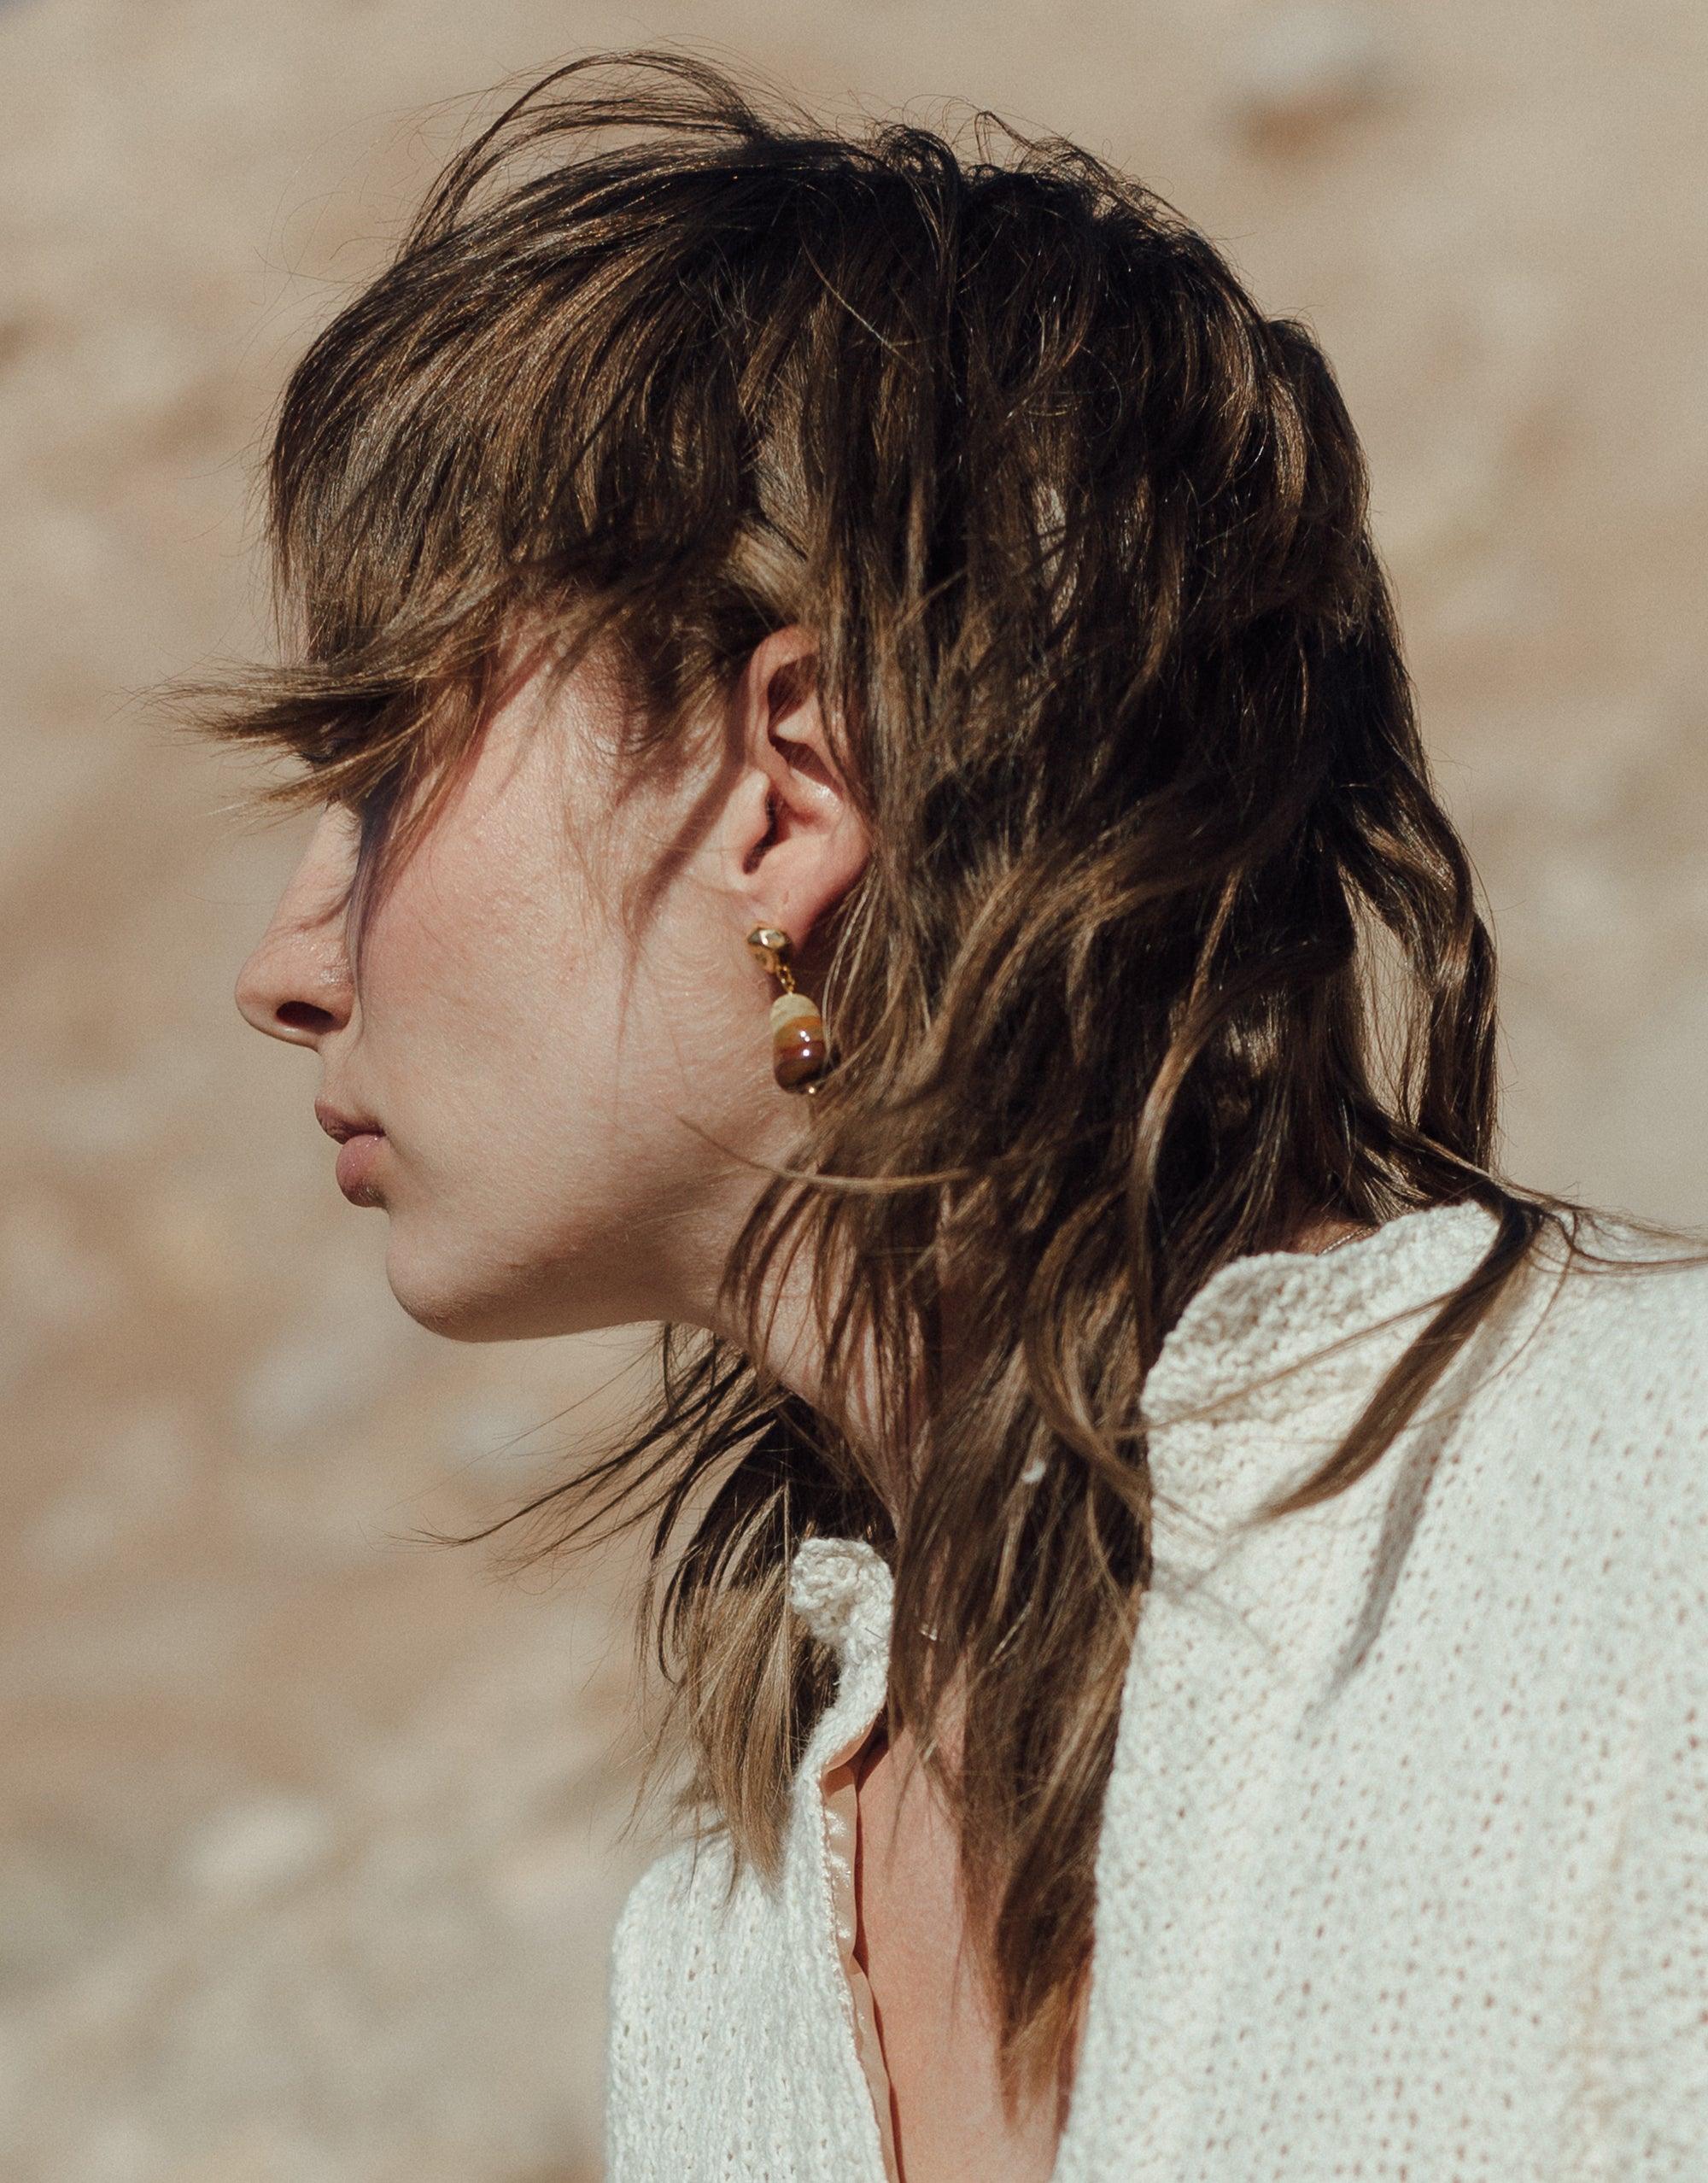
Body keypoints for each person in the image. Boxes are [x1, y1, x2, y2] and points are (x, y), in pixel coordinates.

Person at [199, 49, 1707, 2183]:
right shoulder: (723, 1962)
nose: (284, 965)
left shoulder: (1652, 1556)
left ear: (787, 789)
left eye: (373, 774)